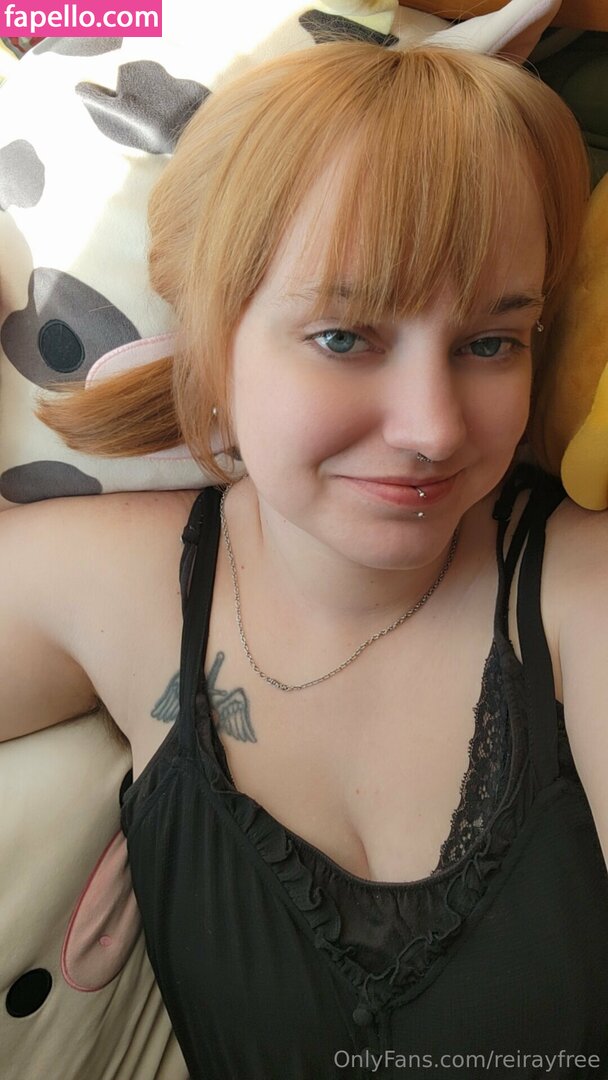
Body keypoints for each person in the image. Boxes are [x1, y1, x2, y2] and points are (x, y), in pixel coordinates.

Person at [4, 40, 608, 1078]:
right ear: (212, 344)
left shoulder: (579, 592)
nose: (432, 428)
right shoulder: (109, 586)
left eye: (489, 343)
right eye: (343, 337)